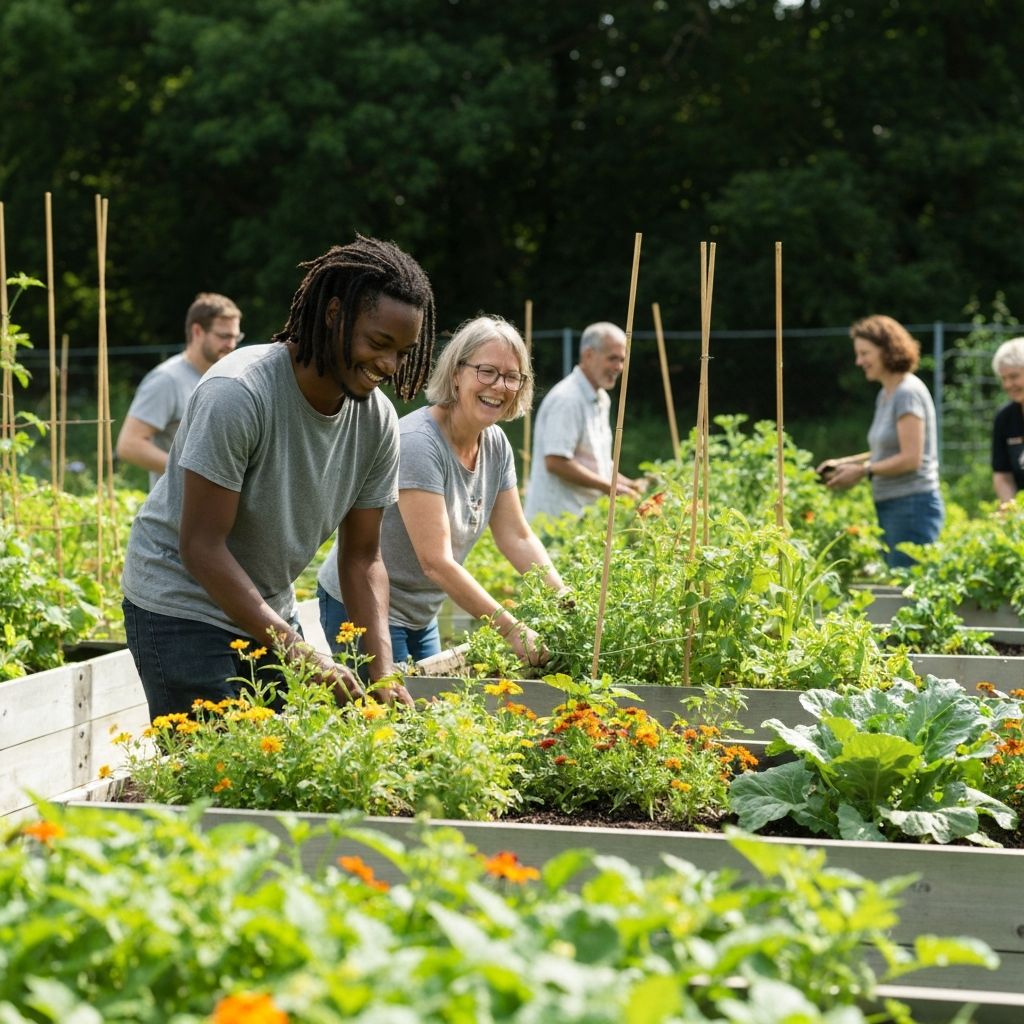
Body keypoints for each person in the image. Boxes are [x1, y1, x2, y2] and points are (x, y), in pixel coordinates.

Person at [121, 236, 436, 719]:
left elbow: (362, 557)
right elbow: (201, 546)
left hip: (265, 604)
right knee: (215, 776)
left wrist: (384, 673)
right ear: (335, 314)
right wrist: (299, 650)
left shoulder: (377, 422)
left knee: (286, 762)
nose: (390, 366)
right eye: (378, 344)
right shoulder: (239, 393)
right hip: (181, 604)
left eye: (403, 351)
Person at [318, 314, 566, 666]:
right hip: (363, 606)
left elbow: (517, 536)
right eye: (487, 371)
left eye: (512, 377)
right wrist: (512, 630)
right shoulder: (420, 444)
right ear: (456, 373)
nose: (499, 386)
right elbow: (435, 562)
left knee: (432, 712)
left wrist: (564, 600)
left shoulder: (495, 444)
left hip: (420, 612)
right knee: (392, 715)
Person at [816, 315, 943, 568]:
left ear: (887, 350)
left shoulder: (907, 393)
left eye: (865, 353)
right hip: (894, 505)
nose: (859, 361)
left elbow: (911, 458)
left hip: (912, 507)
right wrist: (844, 463)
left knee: (908, 593)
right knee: (899, 589)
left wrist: (862, 471)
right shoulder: (886, 394)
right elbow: (885, 450)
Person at [116, 293, 243, 489]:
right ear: (197, 331)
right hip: (176, 511)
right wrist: (192, 473)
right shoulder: (167, 380)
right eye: (224, 336)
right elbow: (129, 445)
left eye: (236, 337)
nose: (232, 345)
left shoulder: (229, 376)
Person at [524, 322, 641, 523]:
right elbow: (556, 462)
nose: (619, 367)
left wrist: (626, 484)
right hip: (554, 522)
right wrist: (610, 488)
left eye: (622, 360)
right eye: (612, 358)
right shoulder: (568, 399)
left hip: (580, 519)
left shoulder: (601, 398)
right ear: (588, 355)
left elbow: (597, 459)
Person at [990, 336, 1024, 503]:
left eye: (1014, 376)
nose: (1008, 384)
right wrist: (1012, 510)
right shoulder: (1004, 418)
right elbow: (1002, 473)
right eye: (1004, 378)